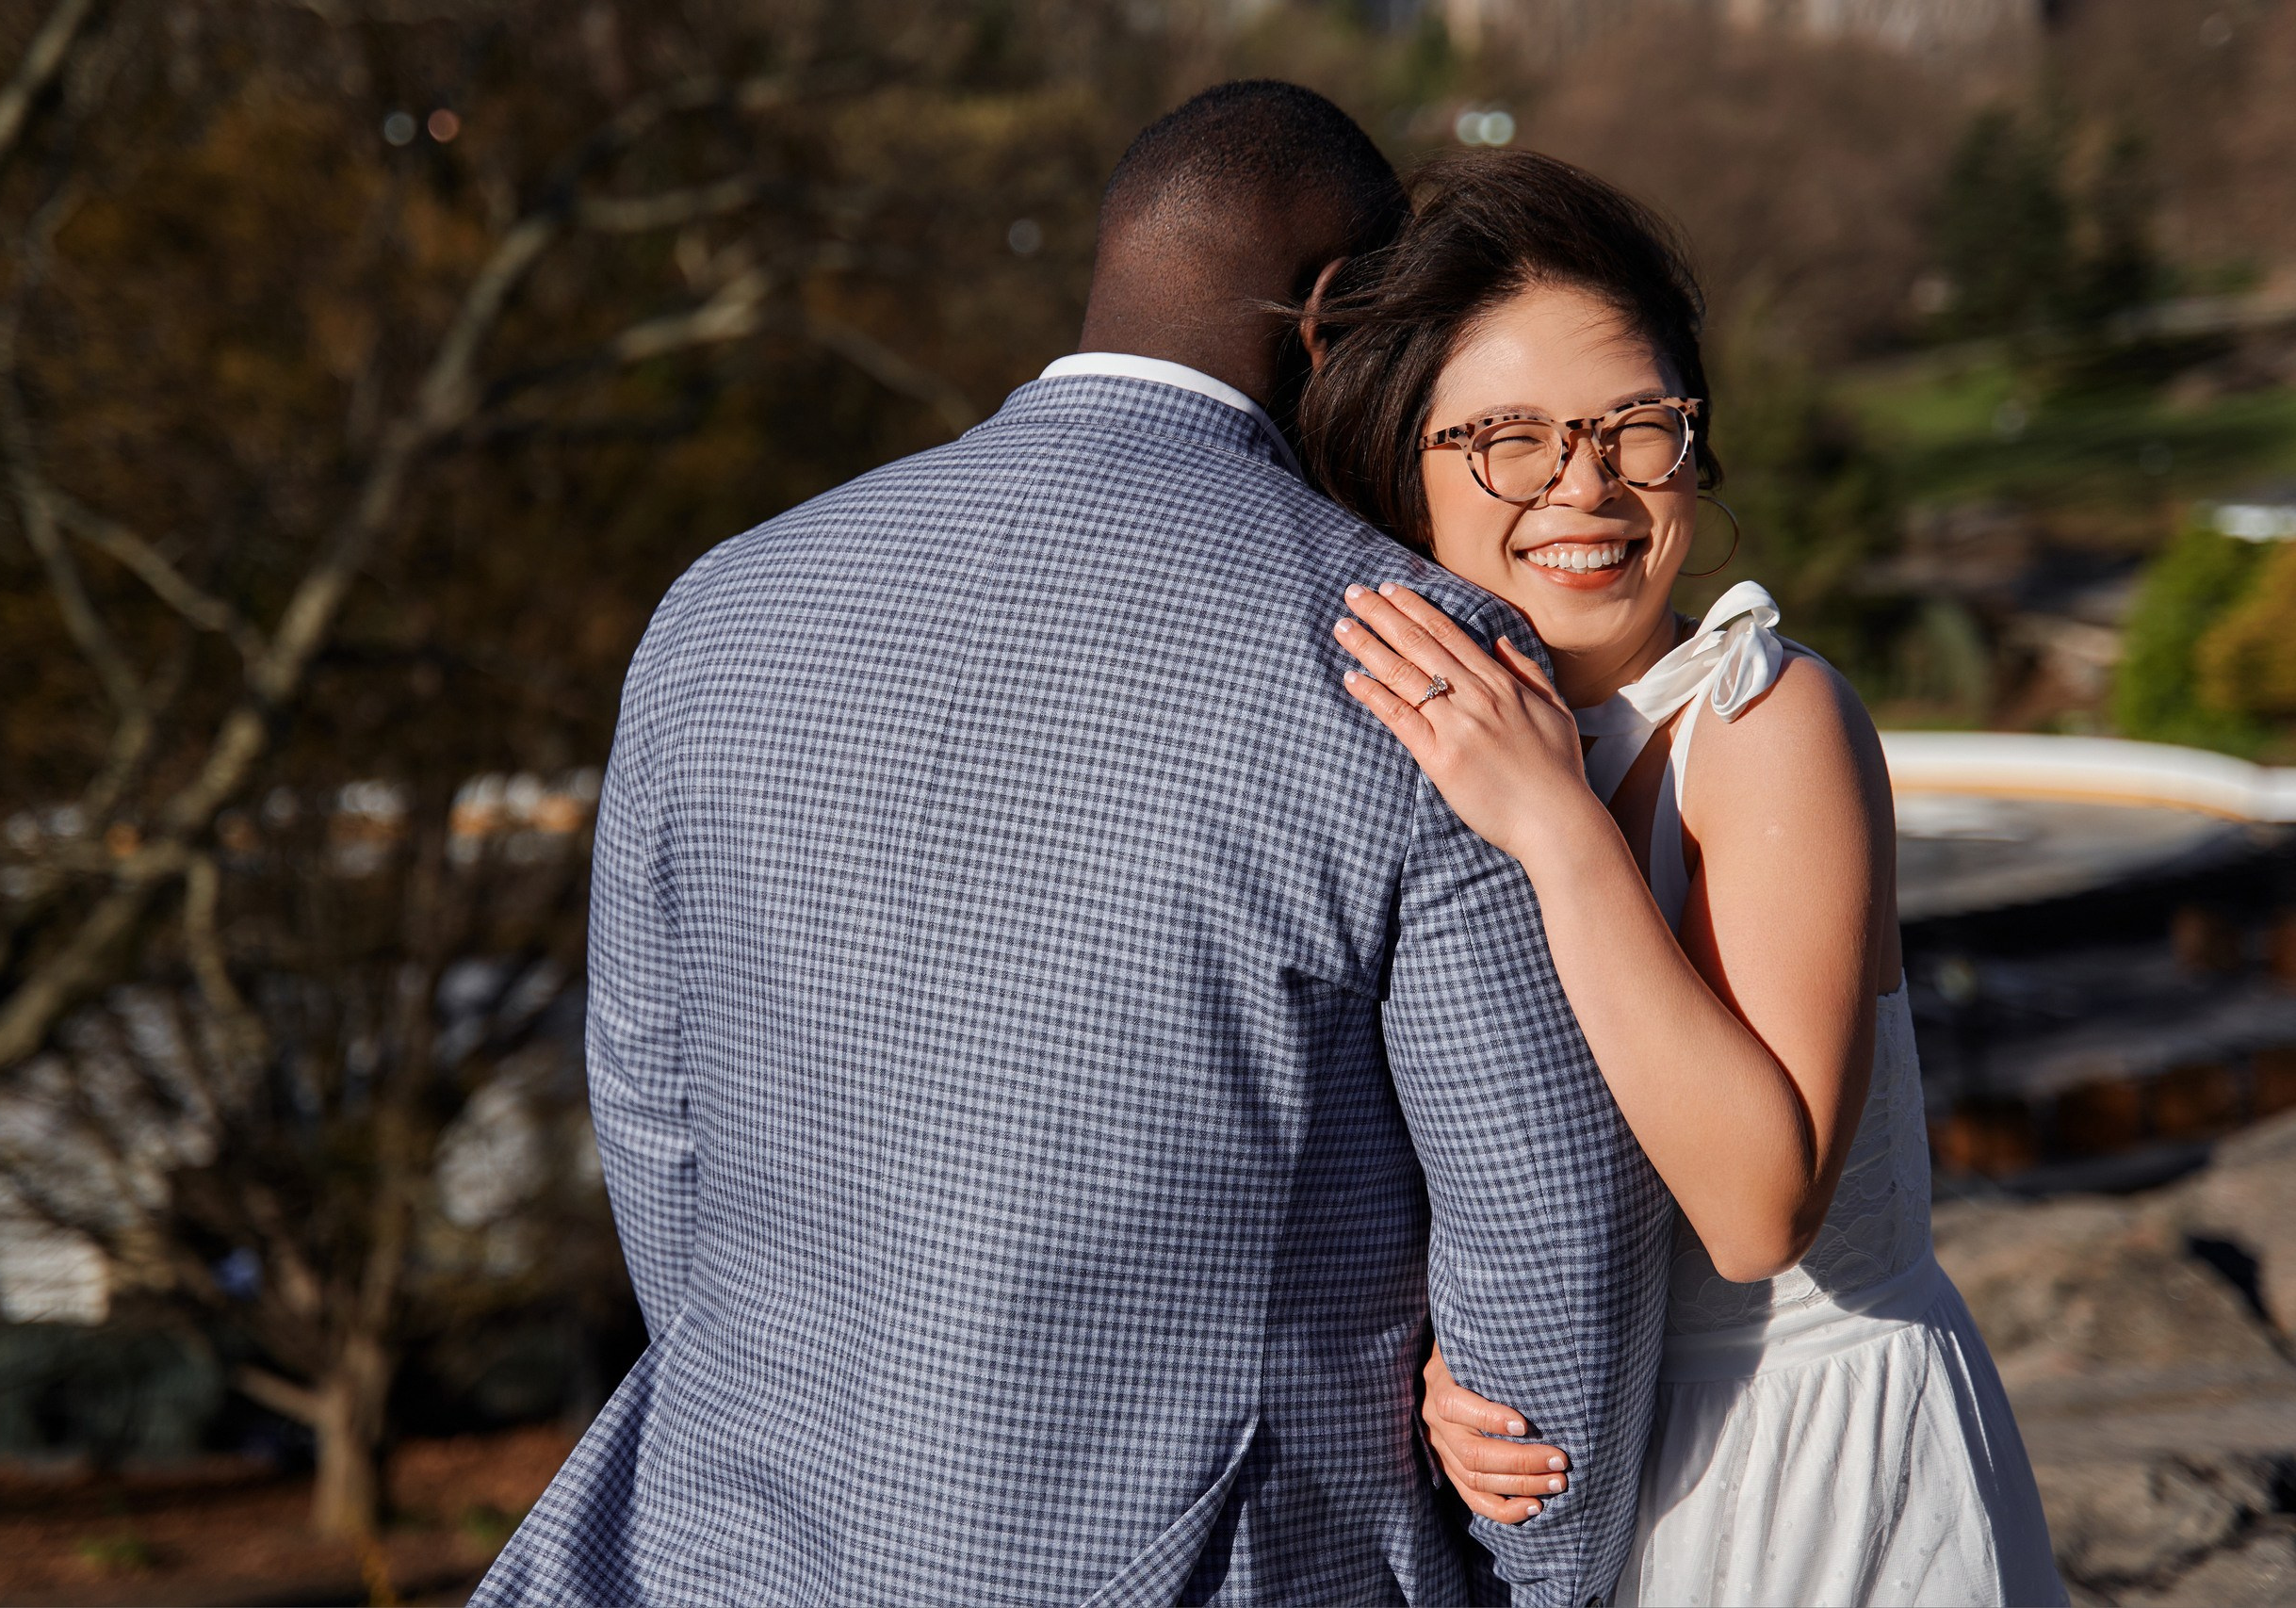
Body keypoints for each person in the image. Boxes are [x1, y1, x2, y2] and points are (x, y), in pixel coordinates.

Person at [471, 86, 1670, 1607]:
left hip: (748, 1546)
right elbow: (1549, 1245)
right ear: (1325, 322)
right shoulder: (1422, 667)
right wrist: (1537, 1583)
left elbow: (655, 1118)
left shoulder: (723, 606)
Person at [1309, 151, 2066, 1606]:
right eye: (1509, 439)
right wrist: (1436, 1364)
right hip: (1604, 1479)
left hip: (1820, 1470)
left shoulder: (1771, 721)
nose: (1583, 484)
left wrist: (1557, 824)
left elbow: (1758, 1206)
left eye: (1634, 427)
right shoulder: (1431, 740)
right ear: (1407, 469)